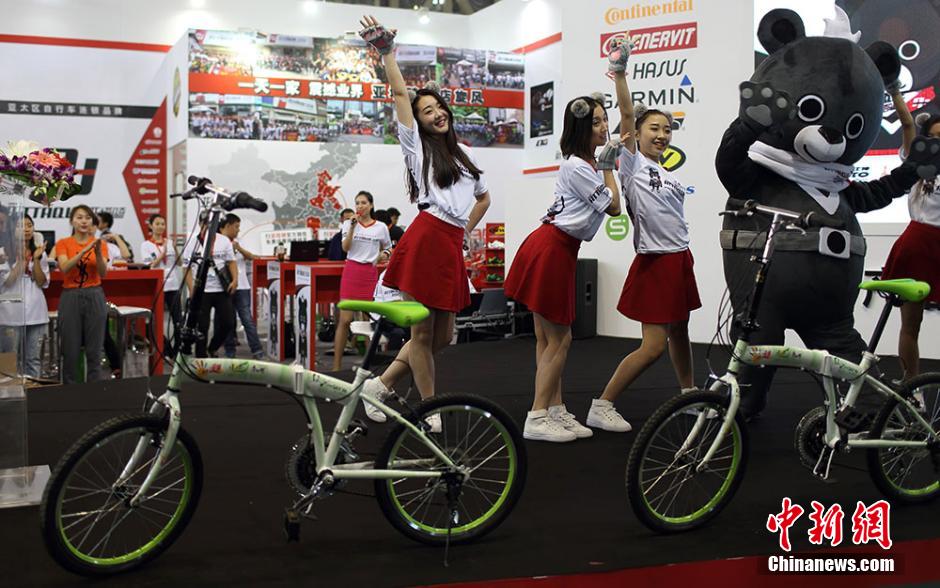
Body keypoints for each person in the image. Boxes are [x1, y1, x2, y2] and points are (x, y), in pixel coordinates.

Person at [358, 16, 492, 432]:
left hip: (449, 243)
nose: (436, 114)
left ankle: (379, 384)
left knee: (443, 338)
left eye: (438, 108)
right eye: (426, 111)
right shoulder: (416, 149)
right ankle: (428, 408)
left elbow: (484, 198)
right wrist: (387, 53)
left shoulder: (466, 154)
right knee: (421, 336)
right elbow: (401, 93)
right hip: (426, 237)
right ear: (417, 121)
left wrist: (465, 231)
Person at [589, 37, 701, 433]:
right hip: (656, 261)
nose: (663, 135)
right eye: (654, 128)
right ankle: (602, 404)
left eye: (667, 130)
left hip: (679, 257)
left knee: (681, 331)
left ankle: (689, 394)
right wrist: (620, 73)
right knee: (653, 346)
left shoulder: (666, 172)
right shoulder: (633, 164)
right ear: (636, 133)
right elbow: (625, 110)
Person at [503, 93, 622, 442]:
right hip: (552, 248)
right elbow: (614, 208)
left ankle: (553, 409)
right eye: (596, 122)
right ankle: (537, 415)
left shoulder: (582, 163)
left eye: (605, 119)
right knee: (560, 339)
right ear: (580, 127)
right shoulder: (579, 166)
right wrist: (608, 168)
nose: (603, 126)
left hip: (556, 247)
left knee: (547, 339)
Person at [881, 107, 940, 382]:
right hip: (917, 245)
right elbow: (906, 124)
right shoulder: (916, 164)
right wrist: (894, 91)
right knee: (910, 325)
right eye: (935, 138)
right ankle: (910, 388)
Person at [333, 191, 392, 371]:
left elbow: (389, 247)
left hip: (369, 273)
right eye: (357, 203)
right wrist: (352, 227)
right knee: (345, 320)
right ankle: (336, 367)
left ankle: (368, 365)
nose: (360, 206)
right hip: (352, 271)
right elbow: (345, 248)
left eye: (363, 203)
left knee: (368, 322)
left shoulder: (381, 227)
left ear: (371, 205)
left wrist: (384, 254)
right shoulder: (348, 224)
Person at [55, 205, 109, 384]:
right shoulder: (63, 243)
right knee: (70, 350)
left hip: (95, 294)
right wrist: (85, 251)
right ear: (72, 221)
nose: (84, 221)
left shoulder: (100, 244)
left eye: (87, 217)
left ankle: (94, 391)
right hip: (70, 296)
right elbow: (64, 267)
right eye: (79, 217)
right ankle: (70, 390)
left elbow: (103, 273)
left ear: (92, 221)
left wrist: (98, 253)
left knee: (95, 350)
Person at [181, 215, 238, 358]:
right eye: (205, 223)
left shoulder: (224, 240)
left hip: (221, 289)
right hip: (202, 291)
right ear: (200, 223)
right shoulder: (192, 243)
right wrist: (191, 289)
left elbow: (231, 262)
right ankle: (201, 357)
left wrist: (235, 280)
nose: (208, 226)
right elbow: (186, 268)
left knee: (228, 323)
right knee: (202, 326)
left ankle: (213, 347)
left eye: (212, 223)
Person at [0, 215, 50, 378]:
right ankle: (9, 392)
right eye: (21, 225)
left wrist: (36, 259)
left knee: (33, 360)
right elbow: (8, 281)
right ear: (11, 229)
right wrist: (22, 260)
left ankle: (34, 391)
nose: (26, 229)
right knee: (9, 360)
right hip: (10, 315)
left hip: (36, 314)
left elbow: (42, 282)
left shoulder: (40, 252)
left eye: (29, 225)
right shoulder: (3, 253)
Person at [220, 213, 265, 360]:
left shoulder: (238, 242)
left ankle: (257, 350)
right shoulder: (218, 242)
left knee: (247, 319)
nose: (238, 230)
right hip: (226, 286)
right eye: (236, 227)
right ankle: (230, 351)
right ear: (227, 226)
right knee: (228, 320)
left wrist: (238, 248)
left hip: (243, 286)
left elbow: (253, 257)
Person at [140, 213, 182, 354]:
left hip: (173, 285)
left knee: (178, 320)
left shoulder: (169, 242)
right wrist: (163, 254)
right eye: (157, 224)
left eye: (162, 224)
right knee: (154, 320)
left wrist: (175, 248)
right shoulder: (146, 245)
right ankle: (165, 348)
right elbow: (150, 265)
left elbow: (179, 263)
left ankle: (178, 351)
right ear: (151, 226)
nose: (160, 227)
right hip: (158, 286)